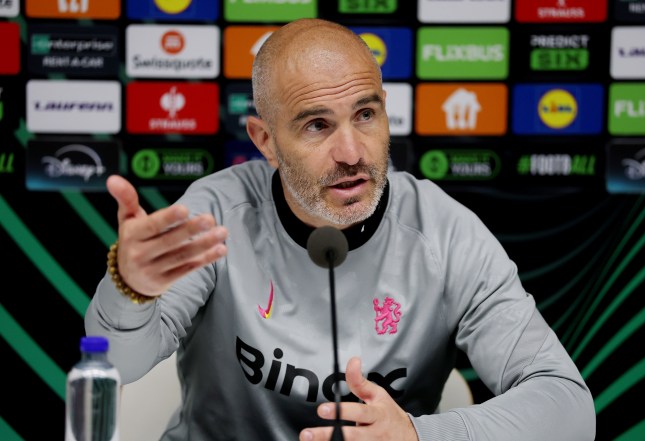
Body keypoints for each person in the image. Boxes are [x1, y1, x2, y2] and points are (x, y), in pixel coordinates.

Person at [86, 18, 596, 441]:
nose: (352, 153)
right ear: (265, 141)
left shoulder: (446, 234)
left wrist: (420, 436)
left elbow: (568, 407)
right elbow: (118, 368)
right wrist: (133, 290)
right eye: (317, 125)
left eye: (366, 114)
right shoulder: (215, 214)